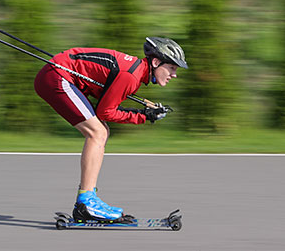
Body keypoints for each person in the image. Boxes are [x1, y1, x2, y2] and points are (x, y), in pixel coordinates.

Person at [34, 37, 187, 221]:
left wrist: (143, 112)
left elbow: (107, 107)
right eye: (172, 68)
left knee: (101, 130)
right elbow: (106, 112)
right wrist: (143, 116)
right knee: (97, 132)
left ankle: (87, 199)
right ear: (156, 62)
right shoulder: (131, 76)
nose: (174, 74)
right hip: (57, 76)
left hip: (59, 74)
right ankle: (86, 202)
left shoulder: (135, 72)